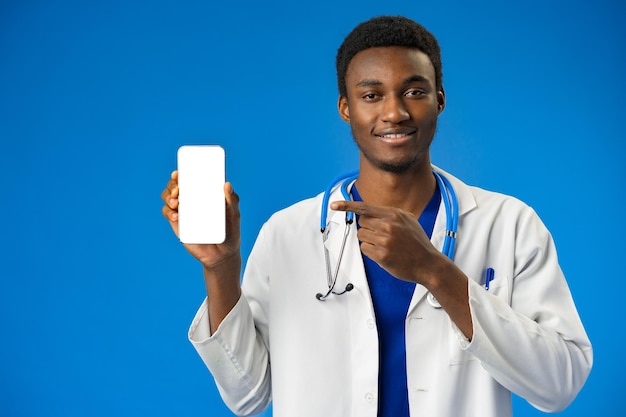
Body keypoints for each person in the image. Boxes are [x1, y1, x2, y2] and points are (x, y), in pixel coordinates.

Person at [161, 15, 592, 417]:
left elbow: (560, 384)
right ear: (346, 108)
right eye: (371, 95)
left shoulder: (509, 224)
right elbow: (247, 396)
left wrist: (435, 271)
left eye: (414, 91)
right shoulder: (287, 233)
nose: (394, 112)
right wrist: (220, 268)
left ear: (439, 100)